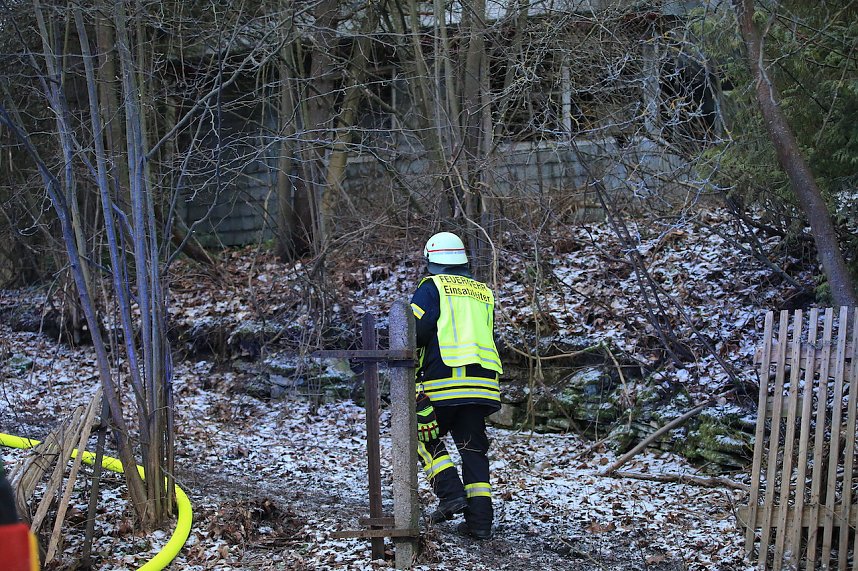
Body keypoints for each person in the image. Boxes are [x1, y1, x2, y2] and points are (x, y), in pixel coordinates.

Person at [409, 231, 503, 540]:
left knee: (421, 436)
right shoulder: (483, 291)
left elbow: (413, 332)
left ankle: (450, 493)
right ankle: (480, 522)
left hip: (444, 382)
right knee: (473, 450)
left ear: (431, 261)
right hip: (482, 386)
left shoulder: (431, 288)